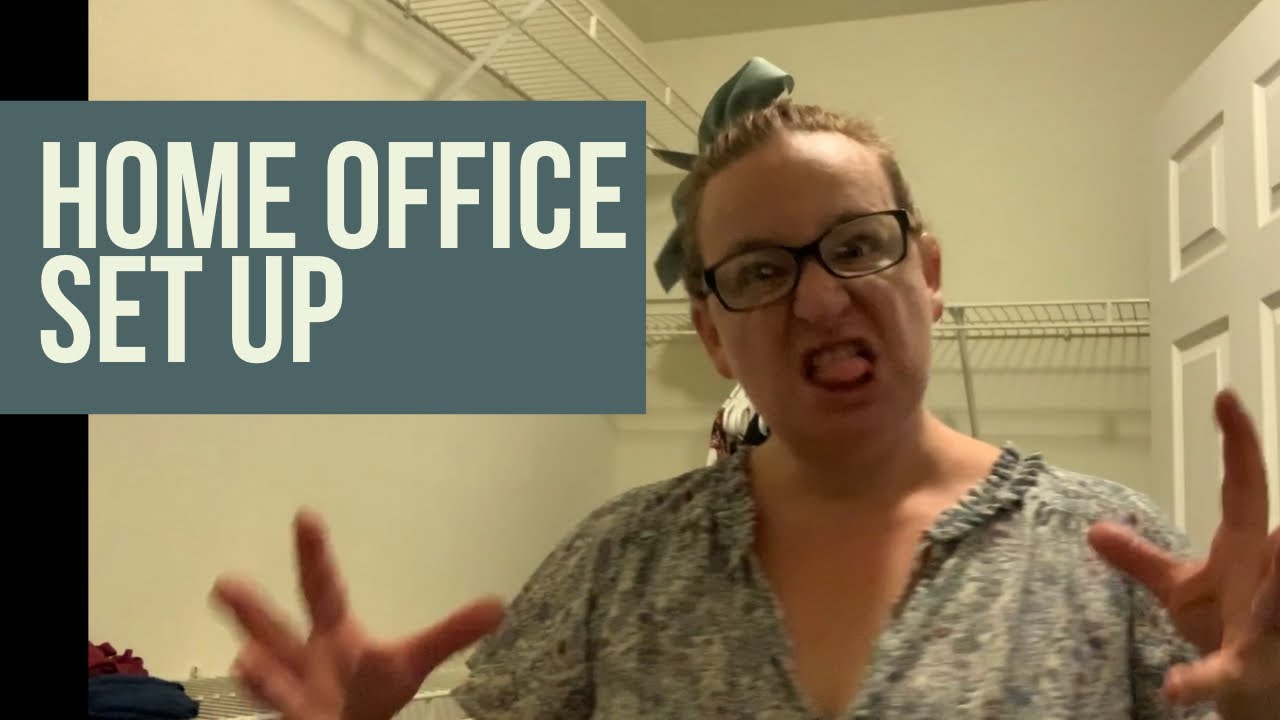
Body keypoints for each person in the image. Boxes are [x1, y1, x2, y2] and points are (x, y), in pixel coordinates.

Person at [209, 59, 1279, 720]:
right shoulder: (616, 563)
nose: (818, 302)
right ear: (713, 334)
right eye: (761, 271)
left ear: (928, 273)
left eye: (855, 246)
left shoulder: (1112, 558)